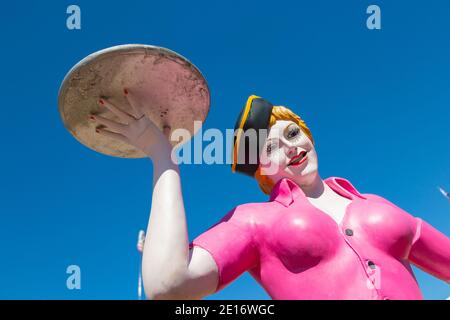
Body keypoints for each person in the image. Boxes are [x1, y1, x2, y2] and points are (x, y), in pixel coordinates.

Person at [90, 91, 450, 300]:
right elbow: (169, 284)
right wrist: (162, 157)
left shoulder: (376, 204)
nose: (291, 147)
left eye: (293, 133)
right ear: (261, 169)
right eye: (271, 148)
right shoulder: (253, 220)